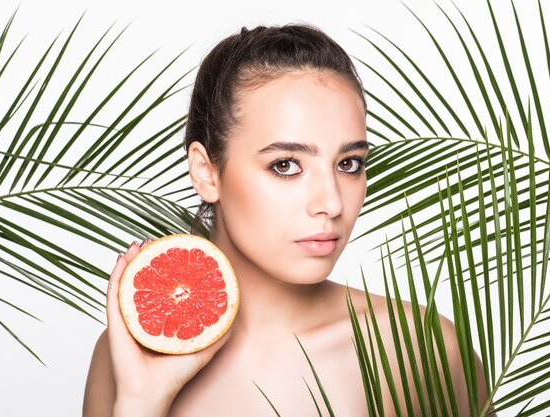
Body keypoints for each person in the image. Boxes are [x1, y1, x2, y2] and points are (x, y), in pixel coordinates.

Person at [83, 24, 488, 417]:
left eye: (349, 163)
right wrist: (141, 404)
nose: (331, 202)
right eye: (285, 165)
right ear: (207, 172)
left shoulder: (422, 350)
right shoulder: (134, 354)